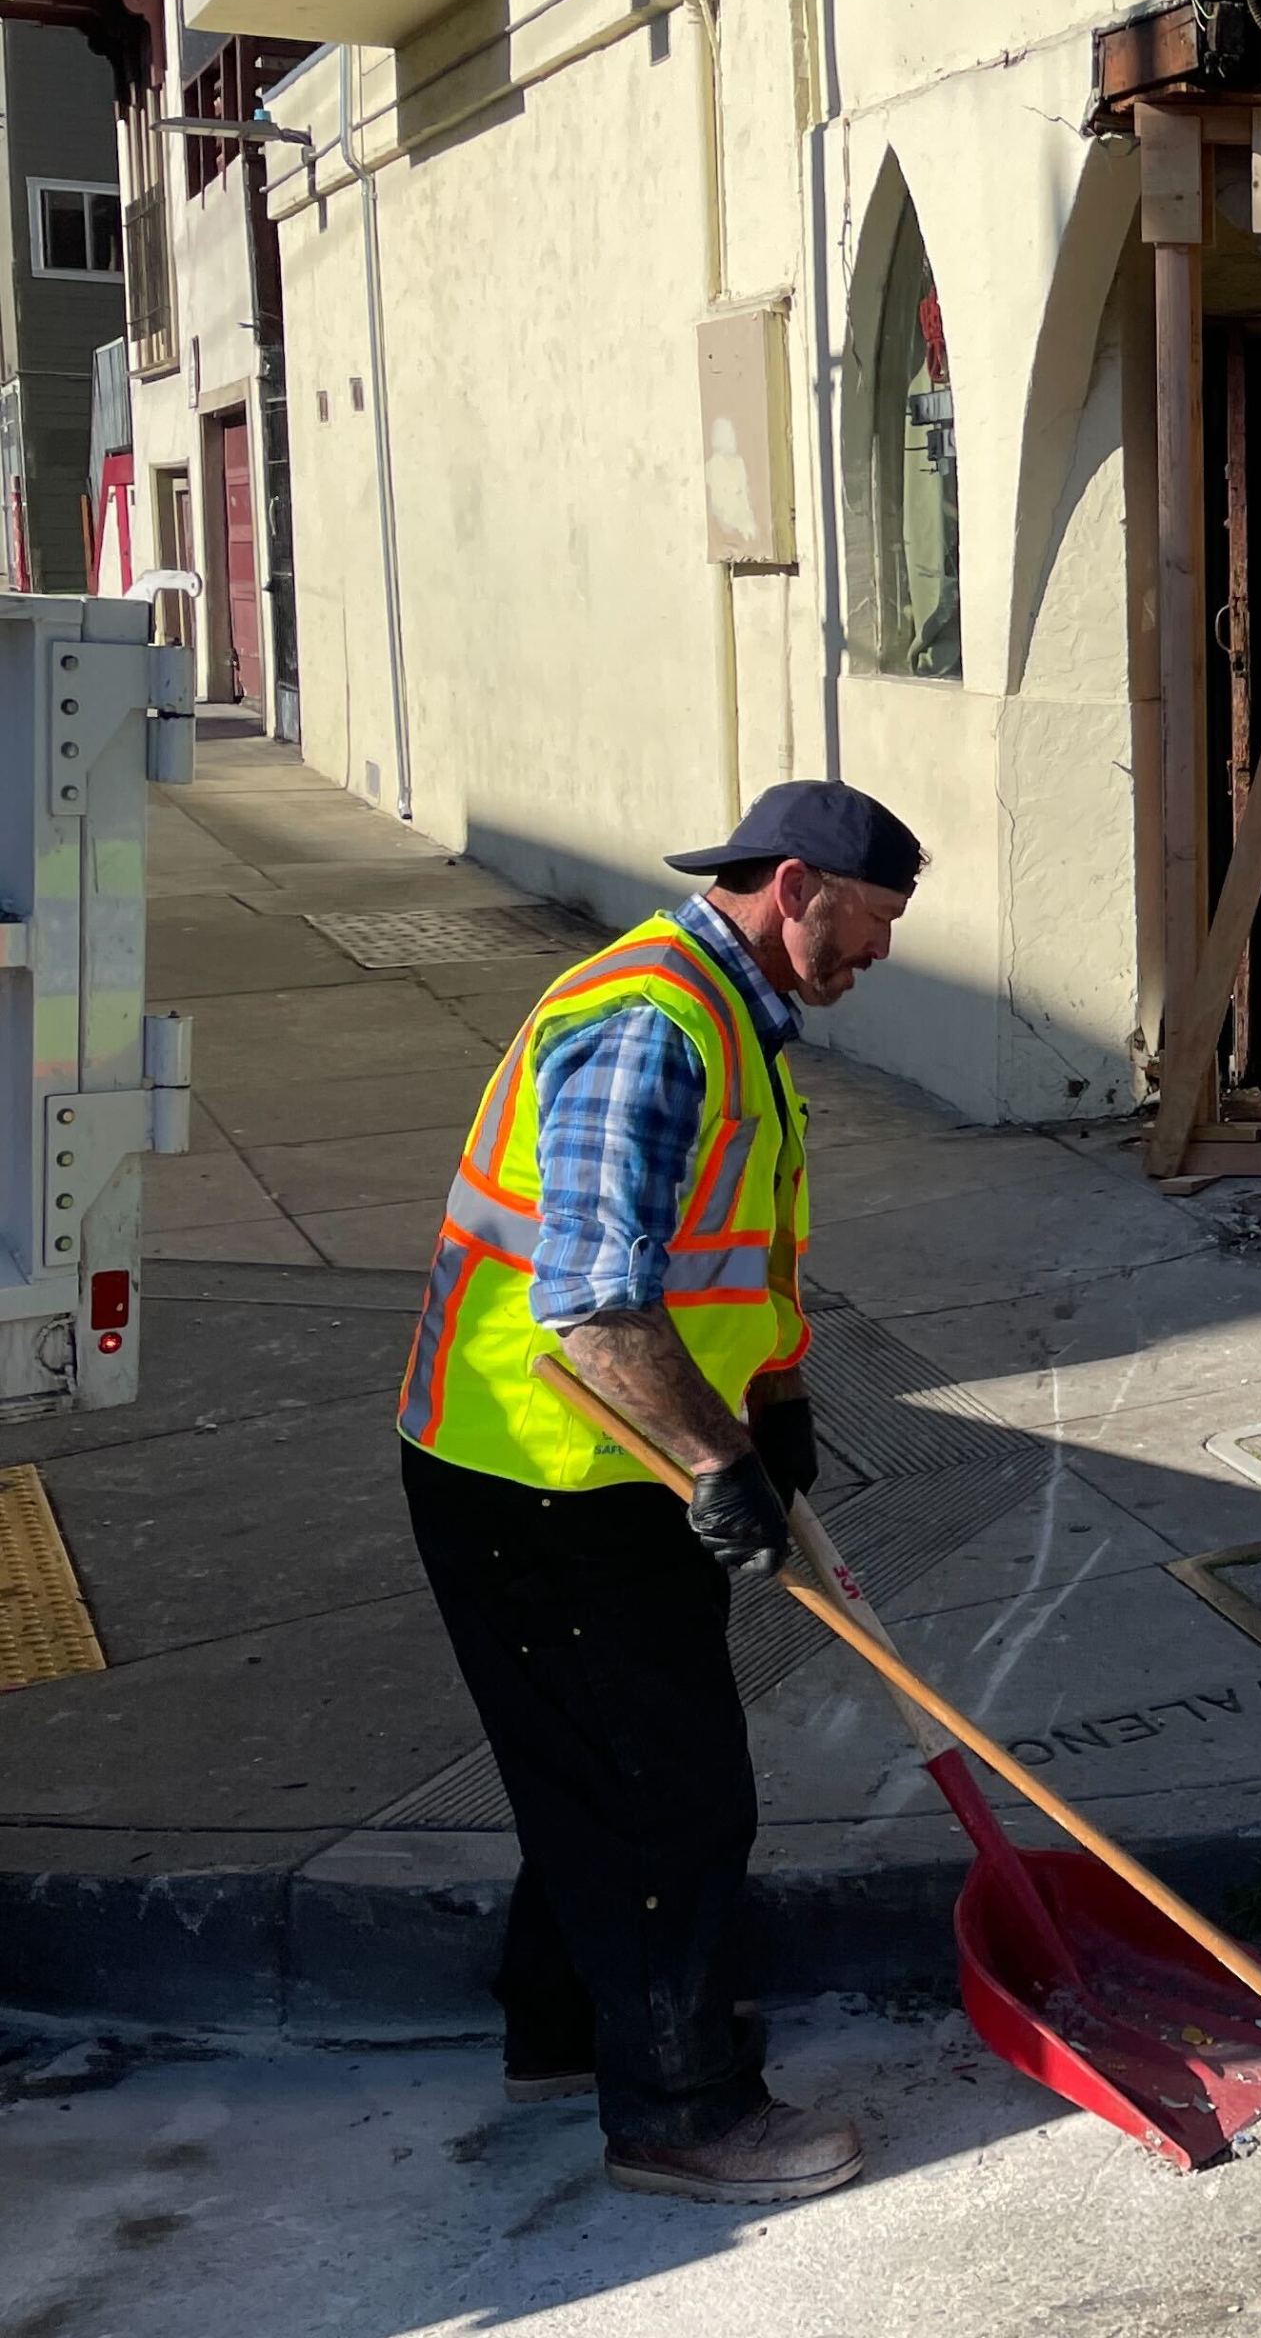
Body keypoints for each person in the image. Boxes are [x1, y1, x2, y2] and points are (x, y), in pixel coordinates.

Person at [395, 782, 923, 2203]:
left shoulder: (726, 1014)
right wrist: (718, 1466)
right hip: (549, 1475)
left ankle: (576, 2029)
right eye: (871, 926)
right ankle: (683, 2110)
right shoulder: (654, 1024)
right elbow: (594, 1303)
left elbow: (732, 1258)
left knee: (594, 1769)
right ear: (797, 886)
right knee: (666, 1798)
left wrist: (779, 1408)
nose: (878, 957)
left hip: (573, 1463)